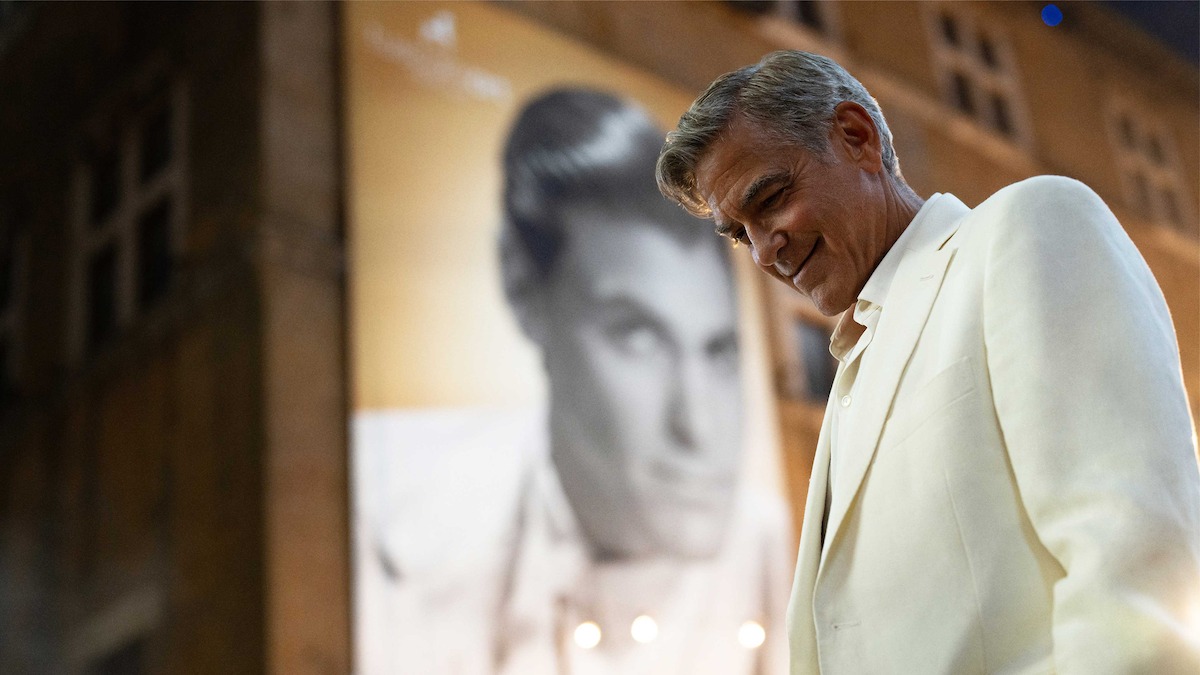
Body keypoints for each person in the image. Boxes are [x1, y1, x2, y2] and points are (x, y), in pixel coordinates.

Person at [656, 50, 1200, 674]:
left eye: (772, 199)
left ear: (856, 137)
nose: (761, 252)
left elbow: (1134, 559)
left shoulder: (1028, 226)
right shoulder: (850, 376)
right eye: (739, 233)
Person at [355, 87, 791, 675]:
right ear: (523, 289)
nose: (698, 427)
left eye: (718, 353)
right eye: (637, 337)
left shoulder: (768, 547)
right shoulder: (385, 499)